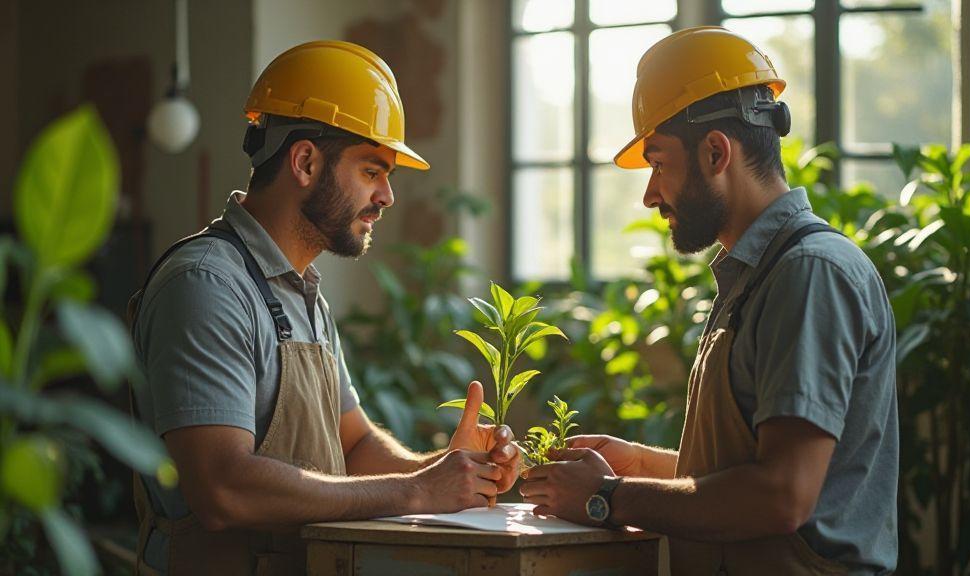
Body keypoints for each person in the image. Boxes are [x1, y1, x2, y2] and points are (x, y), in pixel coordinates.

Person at [130, 40, 520, 575]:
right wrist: (414, 491)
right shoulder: (206, 285)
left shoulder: (302, 292)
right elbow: (221, 487)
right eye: (371, 170)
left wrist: (452, 470)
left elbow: (354, 446)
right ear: (306, 161)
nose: (387, 196)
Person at [520, 26, 898, 575]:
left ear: (716, 151)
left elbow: (781, 495)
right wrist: (640, 466)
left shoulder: (808, 274)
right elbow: (747, 471)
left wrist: (608, 496)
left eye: (658, 163)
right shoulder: (757, 274)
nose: (651, 194)